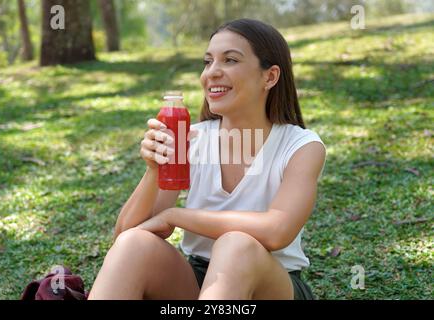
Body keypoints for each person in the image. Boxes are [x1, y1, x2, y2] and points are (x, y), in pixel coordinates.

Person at [88, 18, 326, 300]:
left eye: (230, 60)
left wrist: (177, 215)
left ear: (270, 76)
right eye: (208, 61)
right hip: (199, 283)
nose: (212, 73)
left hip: (271, 285)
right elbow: (126, 236)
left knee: (235, 245)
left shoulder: (300, 146)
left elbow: (277, 231)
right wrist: (154, 171)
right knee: (133, 245)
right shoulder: (191, 139)